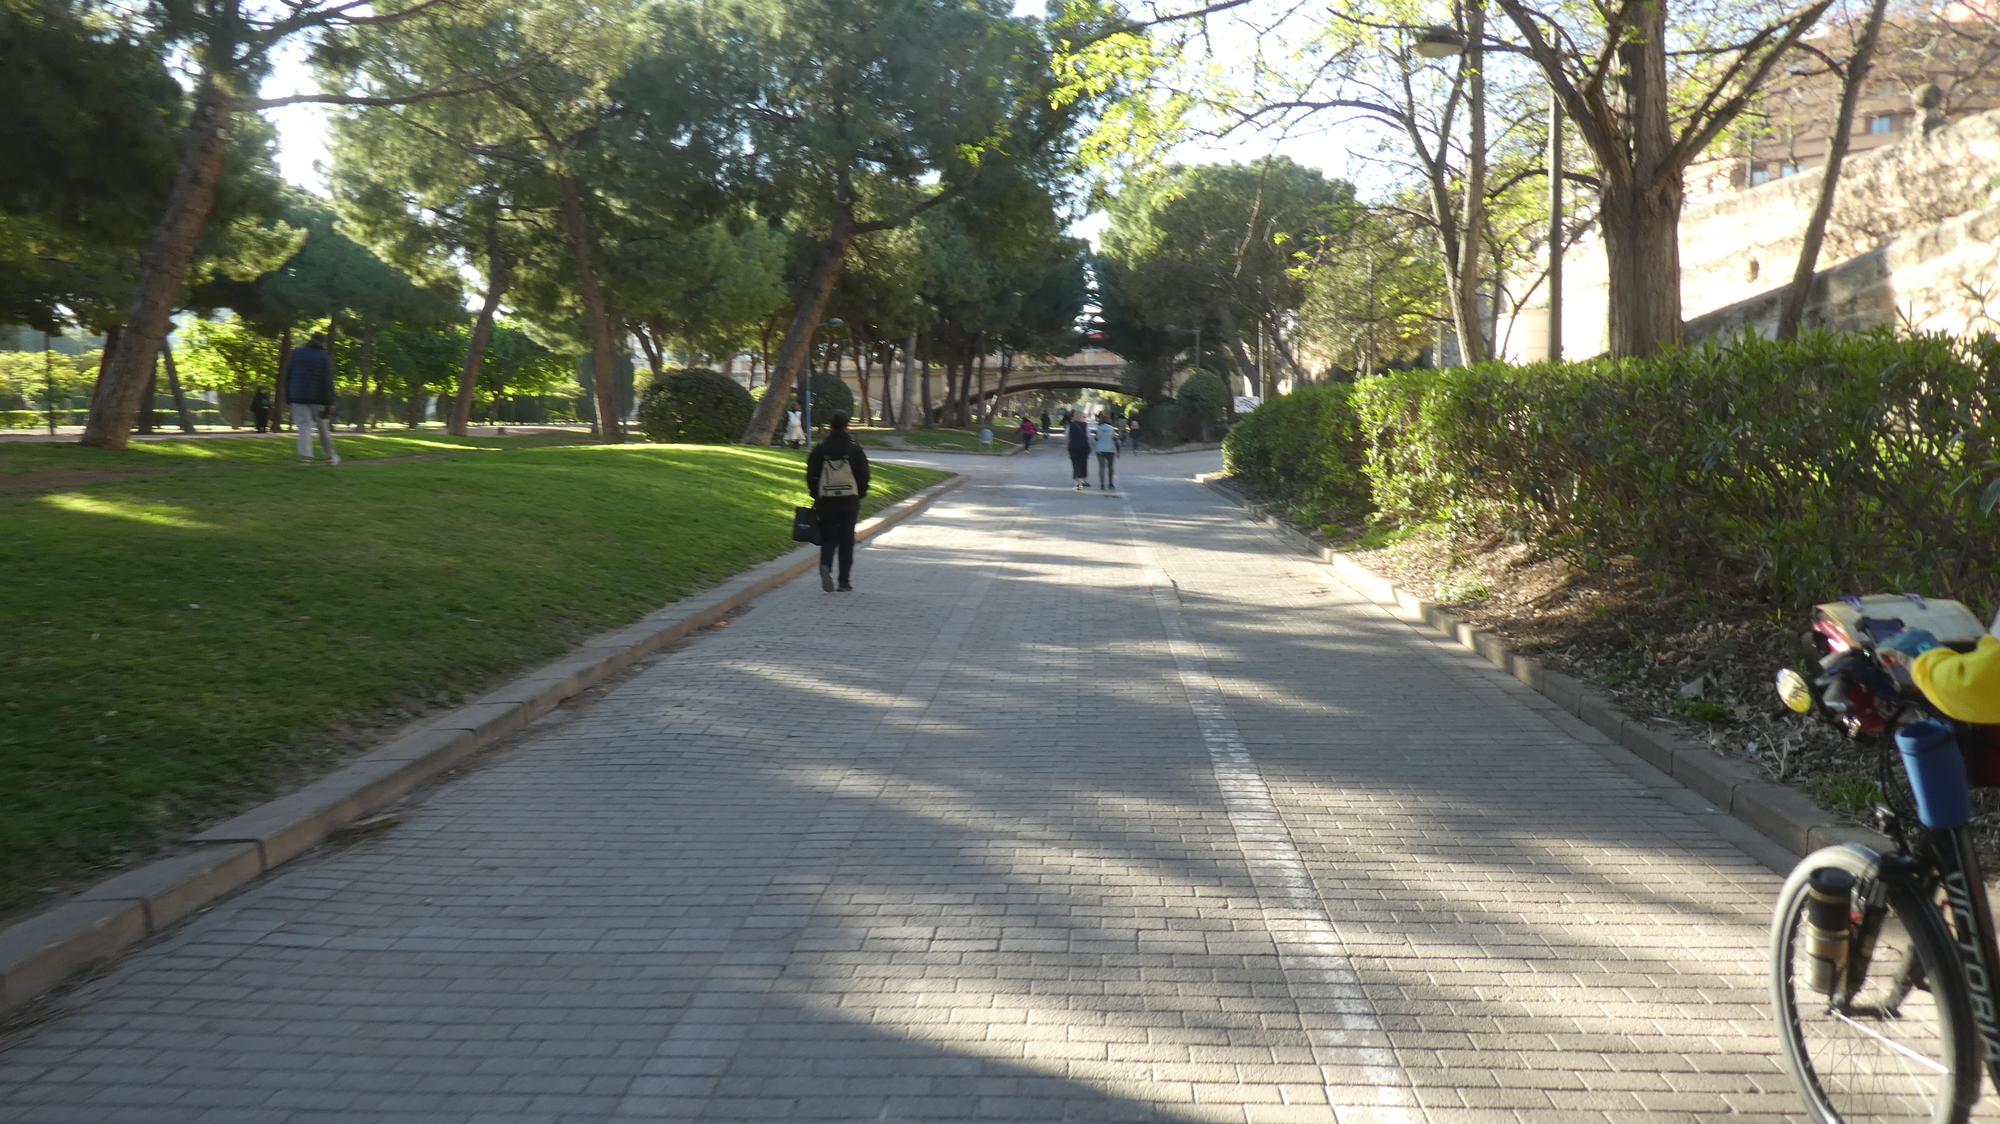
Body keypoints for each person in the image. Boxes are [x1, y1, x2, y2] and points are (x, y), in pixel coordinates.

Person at [806, 411, 871, 592]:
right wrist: (860, 493)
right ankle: (844, 582)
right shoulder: (854, 448)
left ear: (830, 425)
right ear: (847, 425)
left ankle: (826, 565)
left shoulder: (820, 448)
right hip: (849, 501)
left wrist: (816, 493)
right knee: (847, 541)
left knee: (828, 538)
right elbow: (864, 474)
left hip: (826, 501)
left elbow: (811, 474)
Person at [284, 334, 339, 465]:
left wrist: (289, 396)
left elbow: (288, 375)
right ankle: (331, 456)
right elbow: (327, 381)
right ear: (322, 342)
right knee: (323, 428)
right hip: (318, 398)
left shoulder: (296, 353)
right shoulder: (324, 356)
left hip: (297, 396)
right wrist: (331, 402)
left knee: (304, 427)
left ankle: (306, 457)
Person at [1065, 412, 1092, 489]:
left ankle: (1077, 481)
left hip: (1073, 446)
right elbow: (1088, 436)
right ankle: (1084, 480)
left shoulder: (1070, 425)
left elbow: (1066, 435)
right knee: (1084, 463)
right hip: (1084, 446)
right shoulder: (1085, 425)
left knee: (1075, 463)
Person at [1093, 412, 1118, 490]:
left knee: (1101, 467)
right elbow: (1115, 439)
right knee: (1110, 467)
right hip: (1110, 449)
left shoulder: (1098, 428)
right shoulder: (1111, 428)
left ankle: (1102, 484)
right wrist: (1118, 450)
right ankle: (1110, 483)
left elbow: (1096, 438)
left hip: (1100, 449)